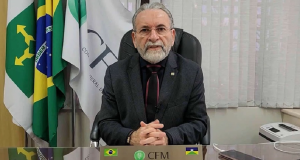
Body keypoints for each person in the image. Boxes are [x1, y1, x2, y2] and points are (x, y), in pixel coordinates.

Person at [93, 2, 208, 146]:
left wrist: (168, 138)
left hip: (173, 153)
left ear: (172, 36)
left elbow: (199, 123)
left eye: (160, 29)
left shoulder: (192, 72)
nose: (153, 37)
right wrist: (131, 137)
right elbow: (105, 122)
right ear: (134, 39)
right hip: (130, 153)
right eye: (145, 30)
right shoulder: (115, 73)